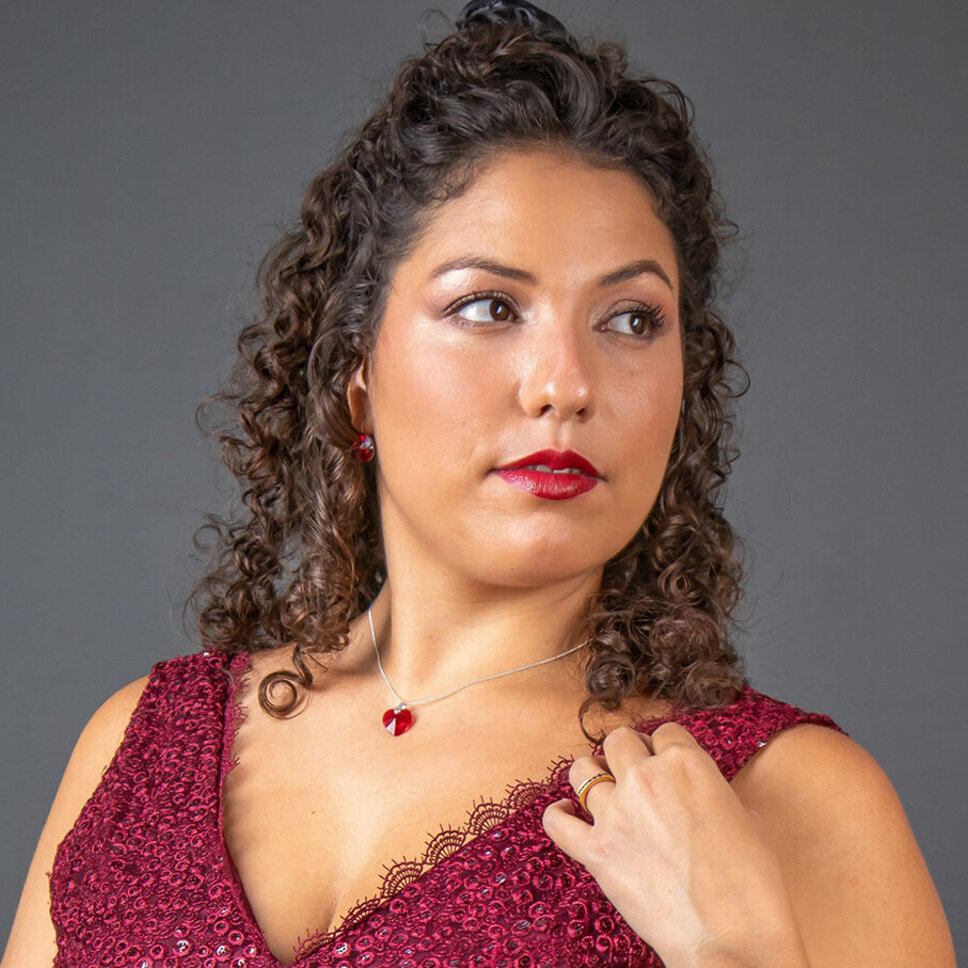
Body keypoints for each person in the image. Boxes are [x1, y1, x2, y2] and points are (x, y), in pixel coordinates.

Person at [2, 1, 956, 966]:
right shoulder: (138, 749)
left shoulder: (790, 802)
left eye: (631, 320)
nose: (565, 384)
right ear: (356, 372)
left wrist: (739, 954)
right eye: (490, 306)